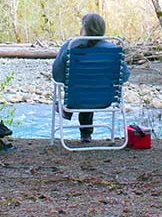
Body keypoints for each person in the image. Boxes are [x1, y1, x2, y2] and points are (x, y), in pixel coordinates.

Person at [52, 13, 130, 143]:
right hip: (104, 100)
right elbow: (124, 76)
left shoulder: (71, 46)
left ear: (84, 28)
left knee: (82, 89)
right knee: (91, 87)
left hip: (75, 100)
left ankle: (67, 112)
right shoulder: (114, 49)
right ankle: (86, 134)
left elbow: (57, 75)